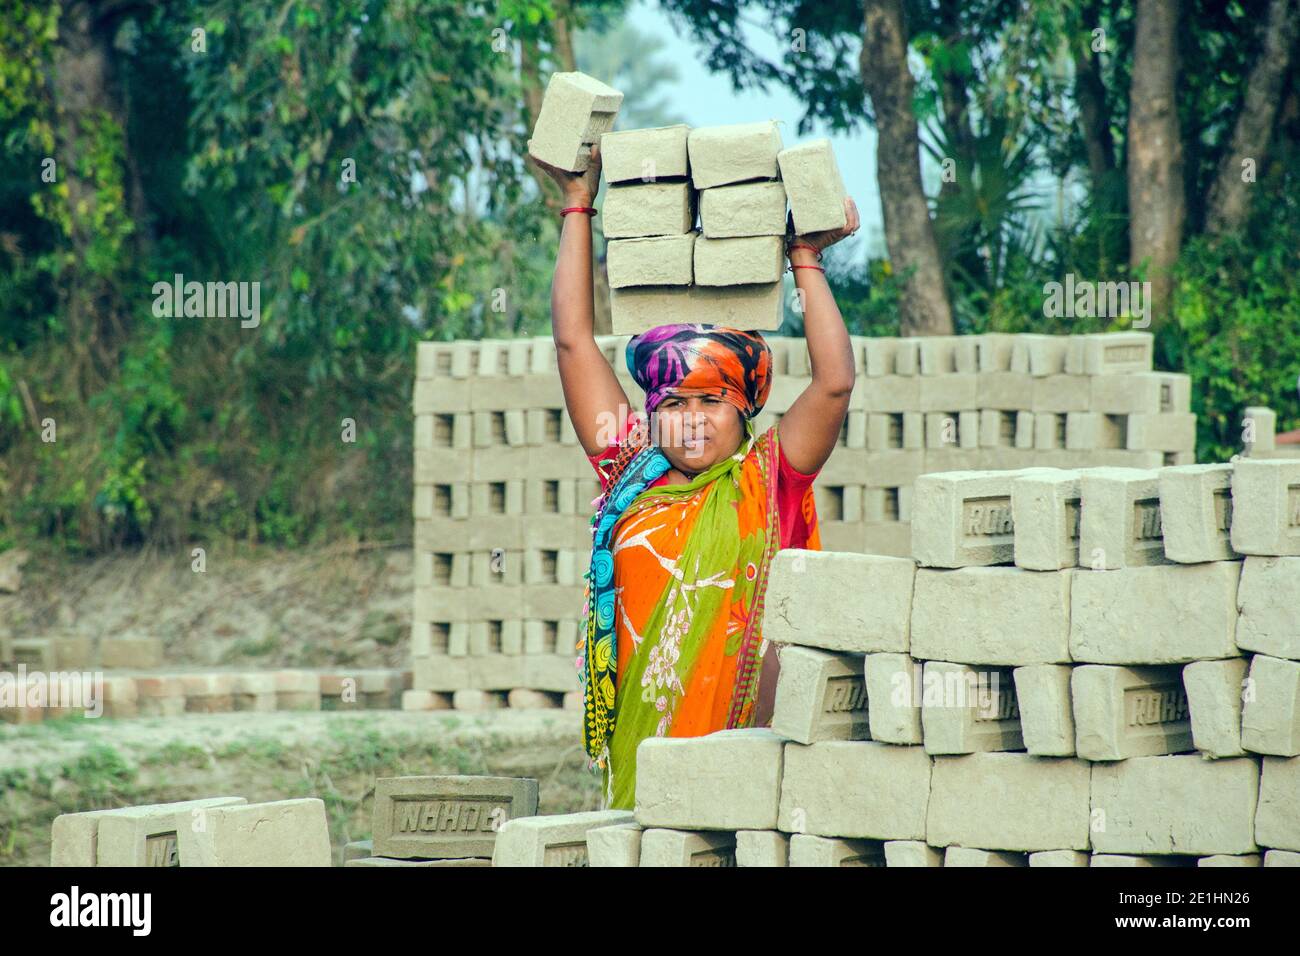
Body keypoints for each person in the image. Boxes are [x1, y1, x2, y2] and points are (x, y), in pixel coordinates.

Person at [532, 144, 859, 809]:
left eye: (711, 402)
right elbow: (573, 342)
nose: (690, 421)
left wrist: (806, 260)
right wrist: (576, 204)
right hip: (647, 758)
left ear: (743, 412)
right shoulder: (630, 474)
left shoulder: (768, 479)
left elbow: (835, 383)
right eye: (672, 404)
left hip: (751, 764)